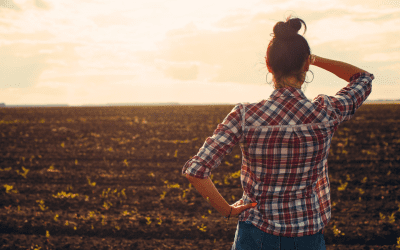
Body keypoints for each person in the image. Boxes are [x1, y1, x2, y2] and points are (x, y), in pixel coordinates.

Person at [182, 16, 374, 250]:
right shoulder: (326, 113)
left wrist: (228, 210)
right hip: (308, 237)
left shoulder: (245, 116)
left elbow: (196, 171)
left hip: (255, 236)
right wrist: (312, 59)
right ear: (305, 65)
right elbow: (363, 78)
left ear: (268, 64)